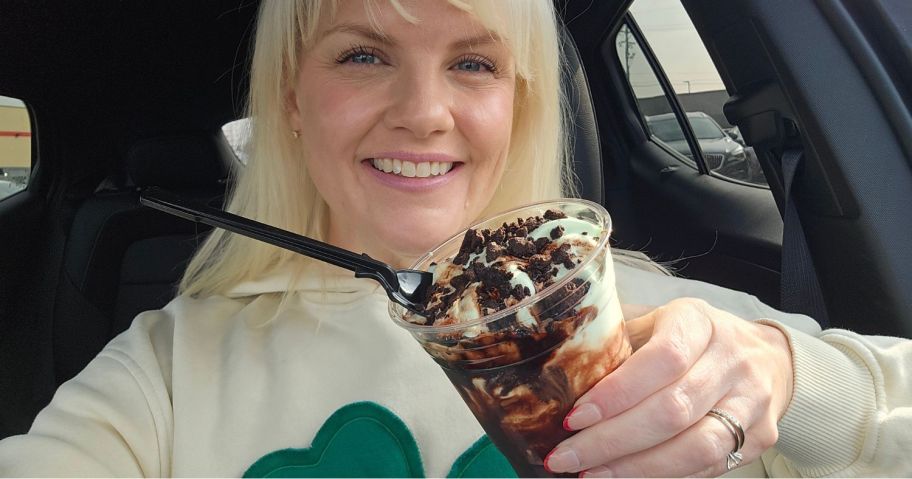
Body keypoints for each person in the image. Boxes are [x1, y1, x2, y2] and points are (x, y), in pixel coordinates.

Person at [0, 0, 909, 477]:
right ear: (289, 98)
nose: (424, 112)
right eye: (364, 54)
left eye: (472, 63)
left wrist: (791, 374)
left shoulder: (656, 325)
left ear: (516, 104)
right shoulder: (168, 368)